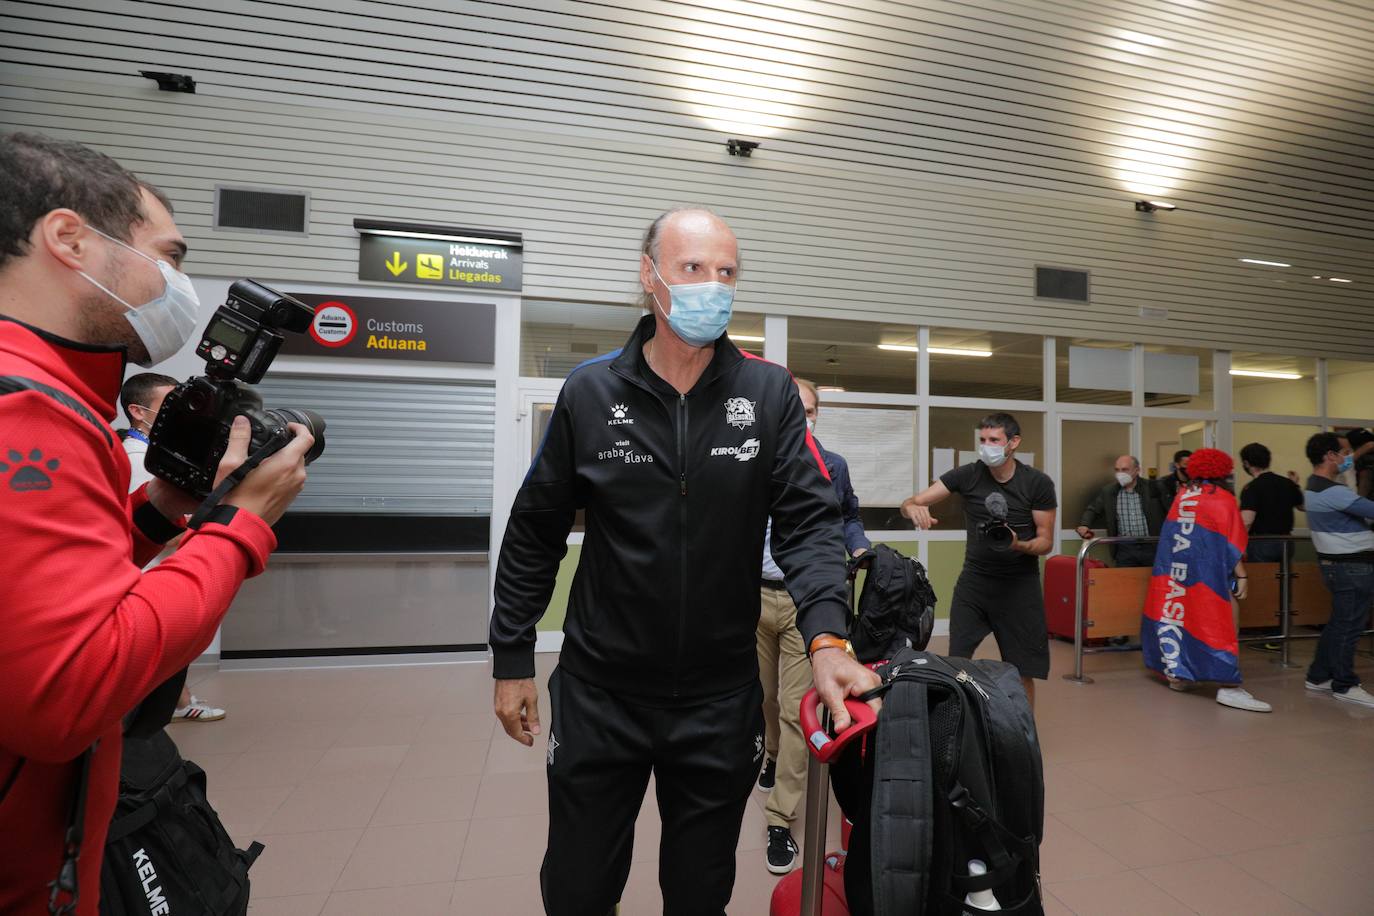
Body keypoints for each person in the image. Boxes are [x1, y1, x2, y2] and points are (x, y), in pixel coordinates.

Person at [488, 206, 880, 915]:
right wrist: (512, 654)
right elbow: (535, 529)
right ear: (650, 276)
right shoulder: (591, 390)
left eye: (726, 272)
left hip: (719, 698)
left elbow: (809, 523)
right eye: (692, 268)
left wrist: (826, 634)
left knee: (700, 892)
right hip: (601, 691)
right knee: (577, 887)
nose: (712, 286)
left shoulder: (766, 395)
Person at [0, 132, 314, 914]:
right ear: (68, 238)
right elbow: (68, 690)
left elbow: (45, 597)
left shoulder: (60, 396)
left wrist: (159, 513)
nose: (176, 283)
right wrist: (242, 524)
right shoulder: (25, 410)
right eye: (166, 255)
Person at [755, 376, 870, 875]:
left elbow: (847, 516)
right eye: (791, 408)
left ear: (817, 414)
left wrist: (859, 545)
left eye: (808, 409)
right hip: (752, 599)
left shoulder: (832, 465)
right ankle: (771, 756)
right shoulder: (751, 457)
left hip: (806, 606)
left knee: (795, 708)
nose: (799, 416)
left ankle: (780, 818)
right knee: (761, 698)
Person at [900, 413, 1056, 708]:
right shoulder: (967, 474)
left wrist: (1018, 543)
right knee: (956, 664)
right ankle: (955, 726)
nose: (987, 446)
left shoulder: (1037, 483)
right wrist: (912, 509)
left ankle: (1023, 736)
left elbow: (1046, 541)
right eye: (982, 440)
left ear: (1013, 442)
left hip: (1019, 587)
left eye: (994, 440)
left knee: (1022, 670)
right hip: (975, 583)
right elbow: (911, 502)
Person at [121, 371, 226, 721]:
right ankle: (174, 706)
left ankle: (179, 702)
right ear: (138, 411)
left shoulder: (153, 453)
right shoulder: (137, 458)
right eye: (169, 404)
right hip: (148, 572)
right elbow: (161, 525)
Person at [1141, 449, 1271, 712]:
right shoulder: (1221, 498)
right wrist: (1242, 574)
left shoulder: (1184, 495)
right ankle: (1228, 685)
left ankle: (1179, 676)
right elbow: (1230, 541)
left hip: (1177, 573)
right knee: (1222, 620)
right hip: (1209, 574)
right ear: (1223, 470)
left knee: (1181, 619)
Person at [1301, 432, 1374, 708]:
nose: (1348, 458)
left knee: (1338, 625)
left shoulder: (1314, 485)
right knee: (1349, 627)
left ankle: (1319, 676)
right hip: (1351, 568)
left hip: (1338, 566)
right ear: (1330, 456)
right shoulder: (1333, 492)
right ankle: (1345, 684)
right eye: (1344, 453)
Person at [1075, 455, 1168, 567]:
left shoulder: (1153, 487)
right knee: (1124, 581)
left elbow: (1169, 509)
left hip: (1152, 546)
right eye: (1117, 470)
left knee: (1152, 582)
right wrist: (1084, 524)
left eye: (1124, 470)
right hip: (1125, 548)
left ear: (1137, 470)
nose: (1120, 474)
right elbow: (1093, 509)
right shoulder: (1109, 492)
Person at [1238, 442, 1304, 564]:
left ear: (1246, 463)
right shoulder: (1287, 483)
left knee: (1263, 580)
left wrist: (1239, 545)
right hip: (1287, 540)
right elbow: (1302, 506)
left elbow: (1247, 521)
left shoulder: (1252, 487)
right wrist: (1295, 484)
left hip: (1261, 542)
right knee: (1284, 579)